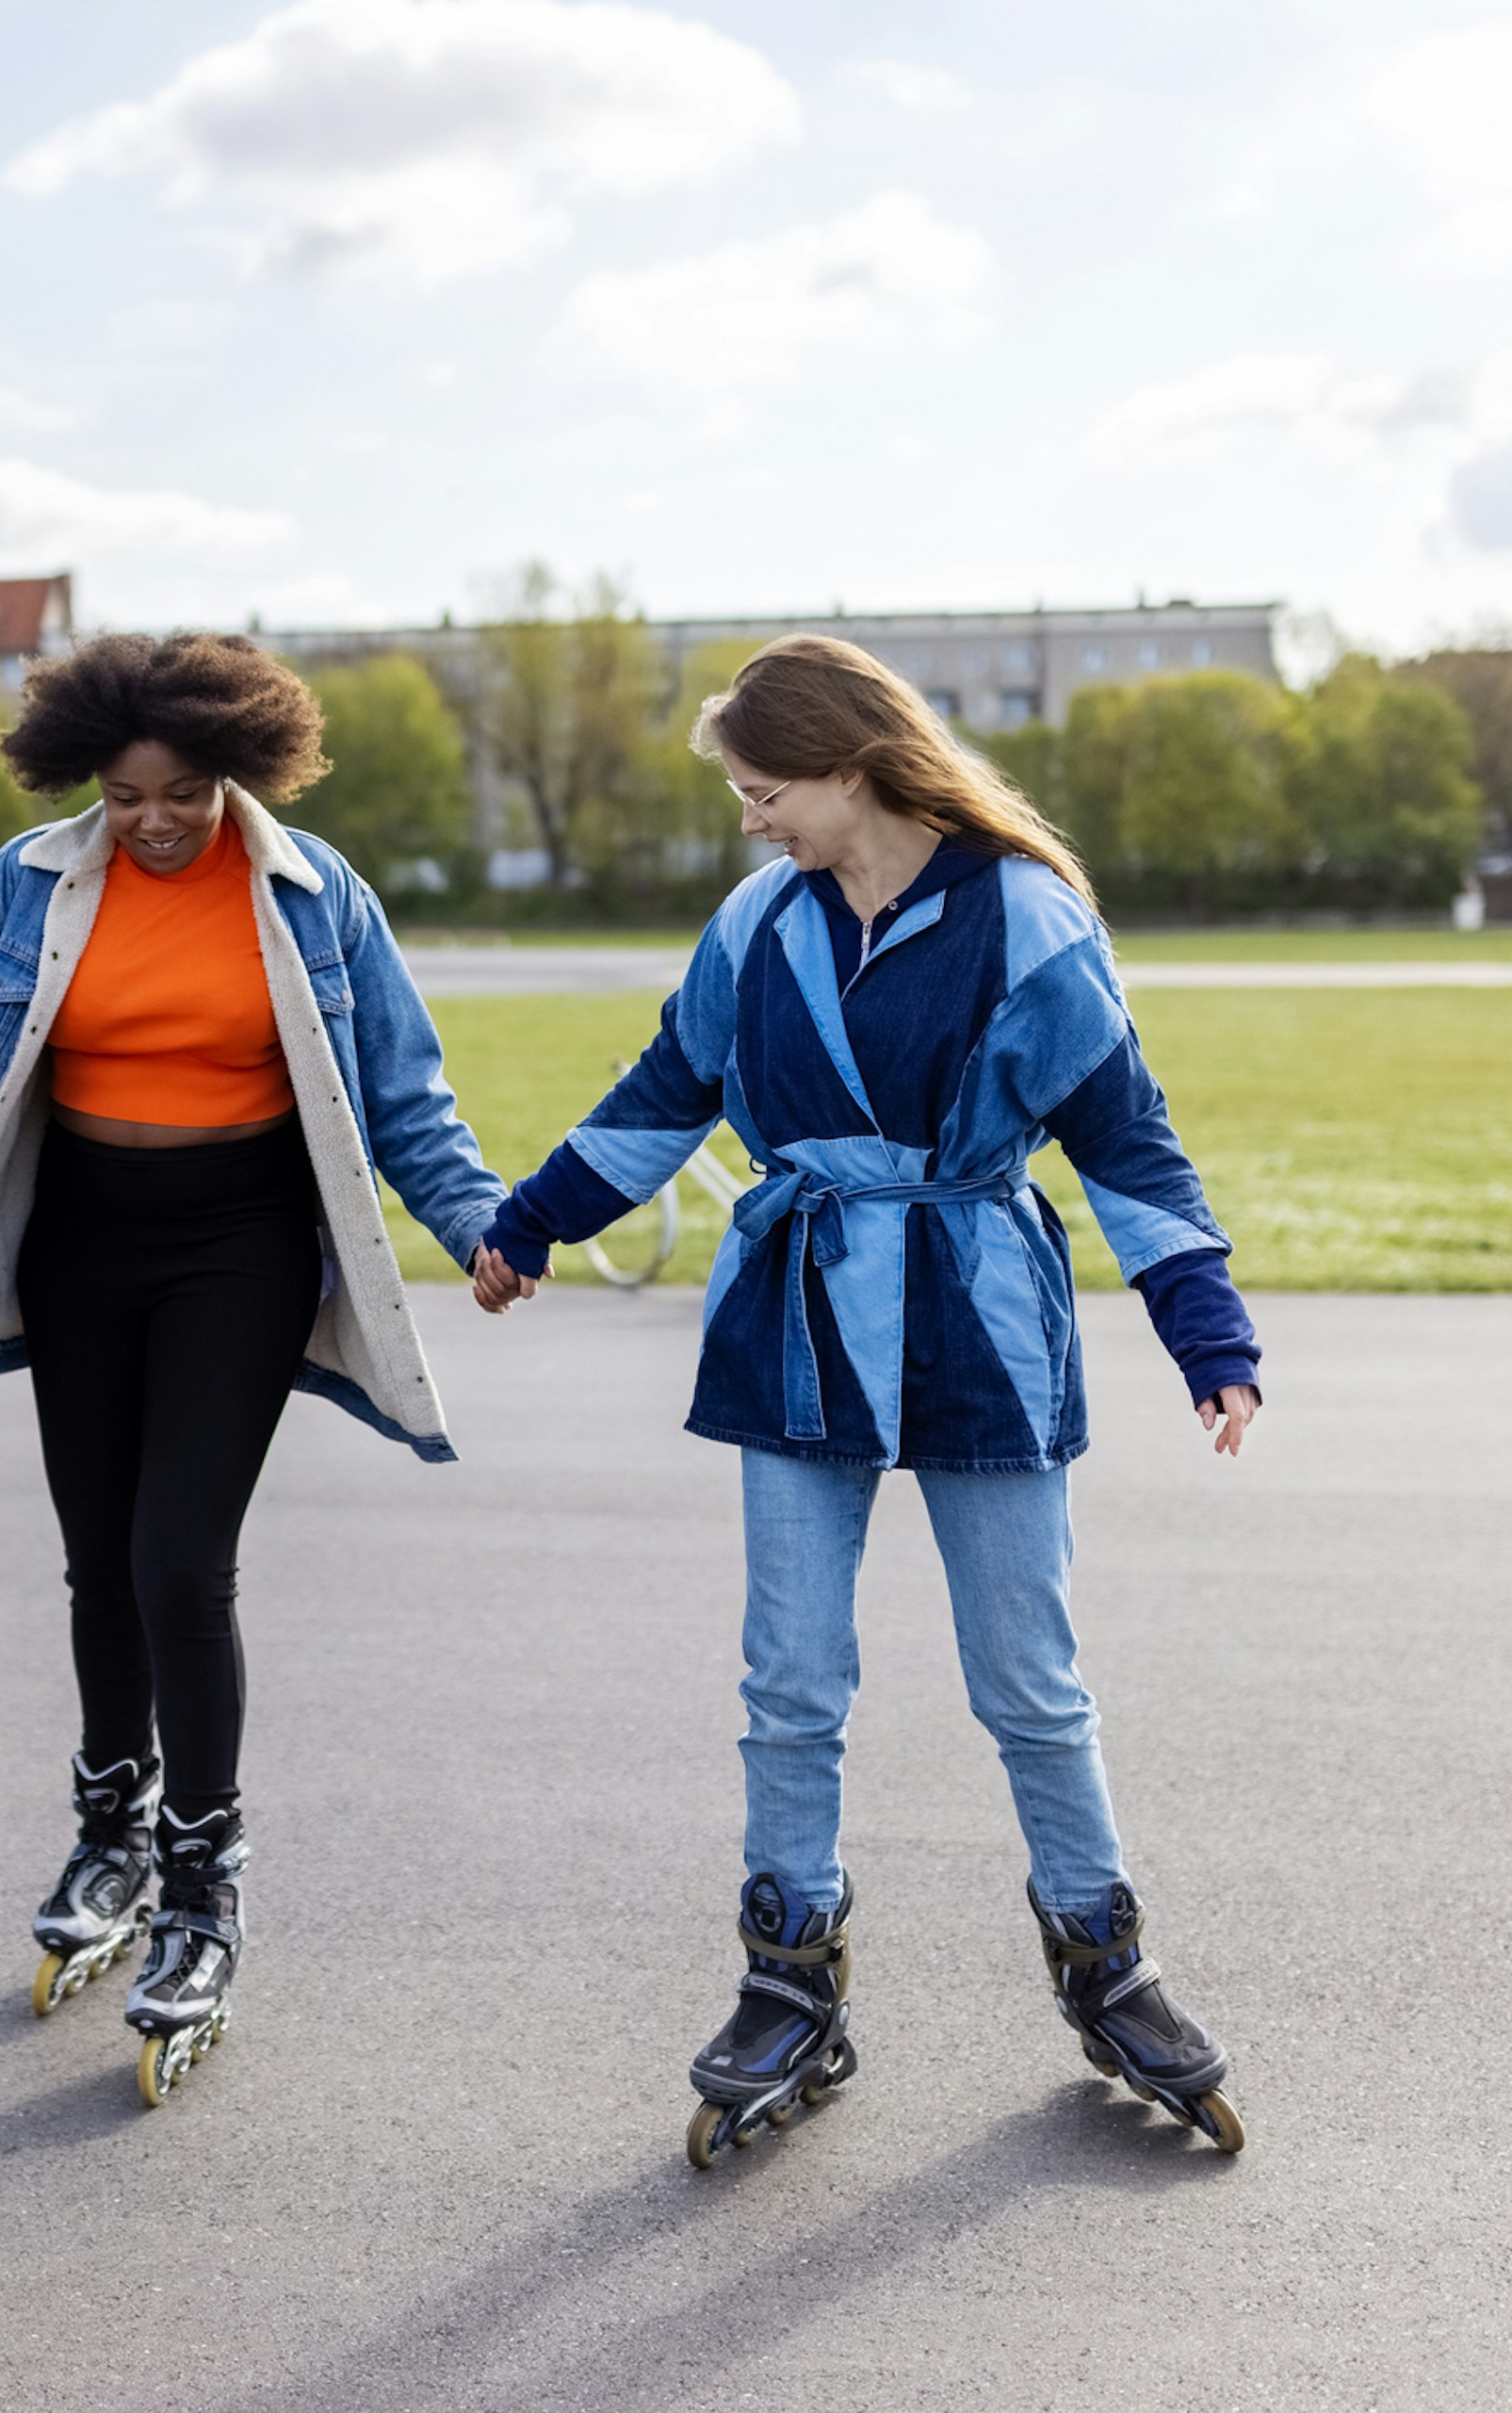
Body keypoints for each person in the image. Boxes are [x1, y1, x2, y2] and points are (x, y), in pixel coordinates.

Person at [467, 634, 1263, 2166]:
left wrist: (1204, 1324)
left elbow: (1125, 1134)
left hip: (978, 1321)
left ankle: (1110, 1965)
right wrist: (531, 1219)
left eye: (767, 790)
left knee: (1031, 1679)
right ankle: (789, 1976)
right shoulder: (759, 923)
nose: (752, 820)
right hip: (799, 1321)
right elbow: (662, 1092)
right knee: (791, 1678)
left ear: (852, 767)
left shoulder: (1029, 914)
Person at [0, 631, 506, 2106]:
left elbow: (405, 1092)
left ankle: (202, 1883)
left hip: (241, 1238)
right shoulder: (25, 882)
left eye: (183, 792)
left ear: (239, 773)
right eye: (125, 793)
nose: (152, 820)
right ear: (88, 778)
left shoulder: (320, 897)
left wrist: (476, 1224)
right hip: (81, 1238)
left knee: (180, 1561)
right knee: (96, 1562)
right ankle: (108, 1827)